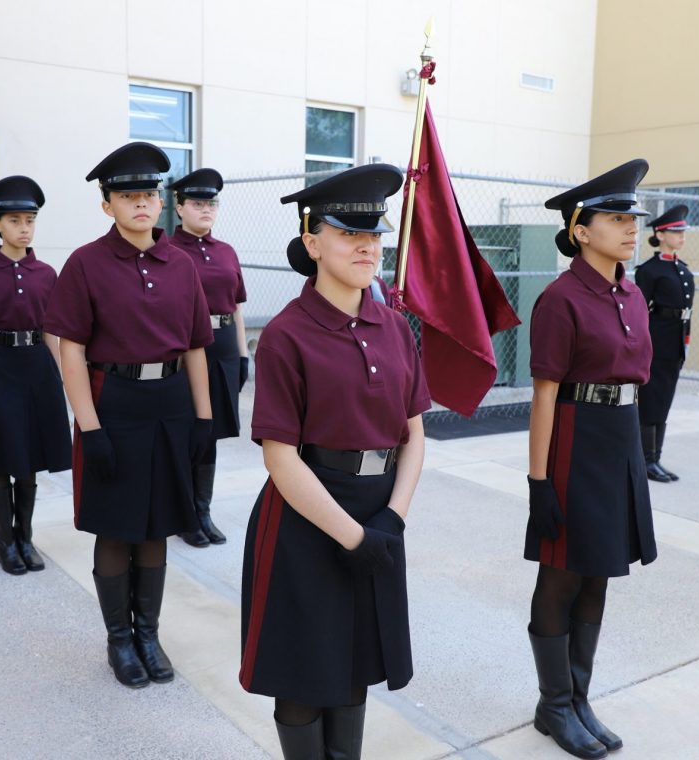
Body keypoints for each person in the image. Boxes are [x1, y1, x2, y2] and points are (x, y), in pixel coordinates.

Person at [239, 164, 430, 759]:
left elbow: (414, 434)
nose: (367, 245)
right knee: (303, 676)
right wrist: (353, 537)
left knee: (354, 668)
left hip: (378, 517)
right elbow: (280, 457)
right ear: (312, 242)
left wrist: (391, 519)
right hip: (306, 523)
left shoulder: (395, 327)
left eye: (373, 234)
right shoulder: (286, 334)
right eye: (349, 233)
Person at [43, 142, 214, 689]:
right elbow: (71, 350)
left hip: (170, 405)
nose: (140, 203)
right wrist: (89, 427)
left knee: (158, 524)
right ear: (107, 205)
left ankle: (149, 635)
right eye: (127, 195)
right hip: (114, 404)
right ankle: (120, 639)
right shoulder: (86, 263)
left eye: (148, 194)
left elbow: (195, 346)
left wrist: (204, 419)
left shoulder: (181, 265)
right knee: (117, 527)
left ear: (161, 202)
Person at [526, 159, 658, 759]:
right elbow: (545, 394)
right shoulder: (561, 299)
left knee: (600, 570)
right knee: (562, 574)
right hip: (575, 440)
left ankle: (578, 697)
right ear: (581, 230)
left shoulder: (631, 292)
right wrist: (539, 482)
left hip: (619, 439)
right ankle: (554, 704)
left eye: (634, 218)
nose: (632, 227)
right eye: (616, 218)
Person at [0, 176, 72, 575]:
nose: (24, 228)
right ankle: (5, 543)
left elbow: (51, 331)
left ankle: (25, 537)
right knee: (0, 460)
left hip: (37, 368)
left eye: (30, 220)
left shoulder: (46, 273)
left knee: (29, 461)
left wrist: (61, 378)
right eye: (15, 220)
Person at [166, 168, 248, 547]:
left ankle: (203, 512)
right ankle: (184, 514)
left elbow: (236, 306)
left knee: (210, 434)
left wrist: (243, 355)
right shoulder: (168, 252)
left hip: (224, 349)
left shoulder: (226, 251)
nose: (206, 210)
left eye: (211, 203)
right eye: (197, 203)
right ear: (179, 207)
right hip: (186, 353)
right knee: (187, 431)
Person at [635, 204, 694, 482]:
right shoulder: (650, 270)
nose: (682, 236)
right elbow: (638, 313)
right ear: (660, 235)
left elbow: (687, 312)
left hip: (674, 344)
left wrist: (686, 341)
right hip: (655, 342)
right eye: (676, 231)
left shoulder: (682, 270)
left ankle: (656, 458)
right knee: (651, 401)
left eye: (683, 231)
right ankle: (646, 461)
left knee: (665, 401)